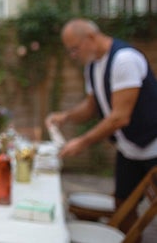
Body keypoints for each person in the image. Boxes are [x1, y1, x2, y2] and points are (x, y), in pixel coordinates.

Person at [46, 18, 157, 233]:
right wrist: (65, 117)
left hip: (152, 144)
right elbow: (91, 107)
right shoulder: (93, 66)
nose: (73, 56)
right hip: (129, 149)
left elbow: (119, 117)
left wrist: (82, 142)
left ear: (90, 37)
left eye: (75, 49)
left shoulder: (124, 60)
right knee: (123, 206)